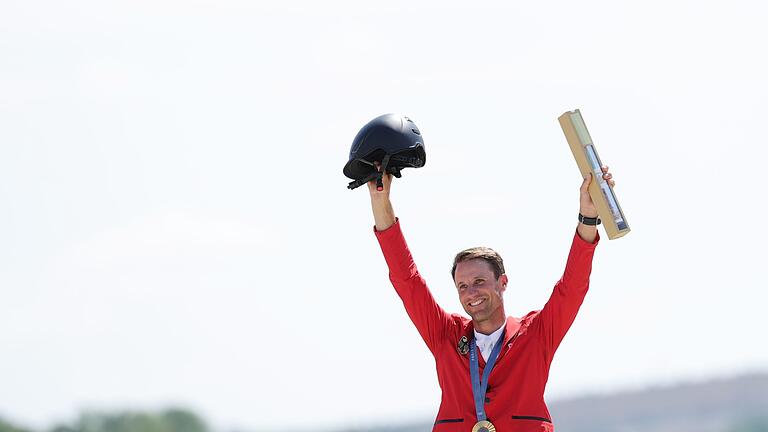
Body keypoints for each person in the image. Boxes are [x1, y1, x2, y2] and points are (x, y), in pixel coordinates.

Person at [369, 165, 615, 432]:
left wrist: (588, 217)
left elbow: (572, 288)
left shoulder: (535, 334)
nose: (471, 293)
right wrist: (381, 201)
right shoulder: (445, 335)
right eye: (462, 286)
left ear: (503, 282)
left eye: (479, 282)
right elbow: (407, 281)